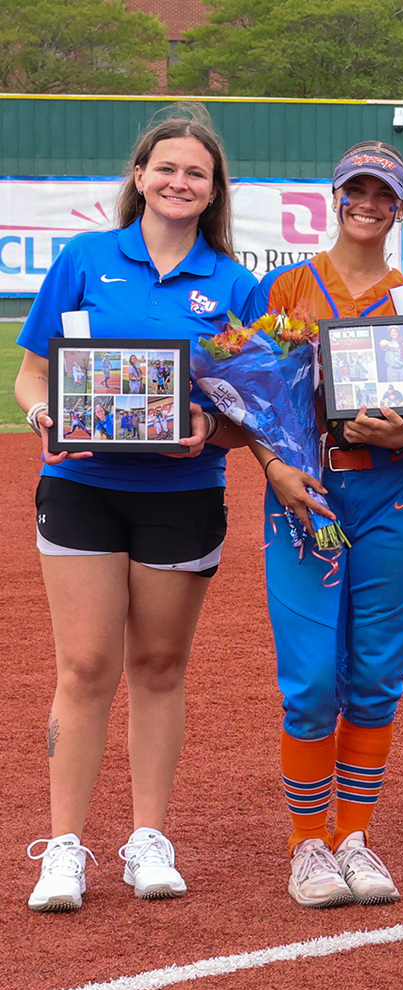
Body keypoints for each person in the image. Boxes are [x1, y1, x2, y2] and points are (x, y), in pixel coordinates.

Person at [15, 104, 255, 912]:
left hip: (183, 494)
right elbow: (33, 373)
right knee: (84, 667)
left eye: (197, 171)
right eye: (167, 168)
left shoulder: (233, 282)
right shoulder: (85, 257)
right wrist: (44, 412)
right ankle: (65, 847)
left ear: (213, 188)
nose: (180, 181)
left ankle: (148, 837)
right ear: (140, 177)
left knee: (158, 666)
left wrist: (207, 429)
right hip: (83, 487)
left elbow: (251, 408)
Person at [242, 141, 403, 908]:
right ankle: (307, 844)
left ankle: (353, 835)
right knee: (313, 680)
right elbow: (248, 400)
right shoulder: (287, 286)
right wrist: (271, 466)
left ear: (401, 207)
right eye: (356, 190)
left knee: (373, 678)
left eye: (384, 193)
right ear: (335, 196)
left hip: (390, 498)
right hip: (304, 500)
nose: (369, 203)